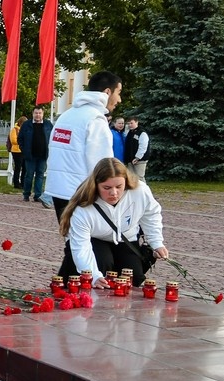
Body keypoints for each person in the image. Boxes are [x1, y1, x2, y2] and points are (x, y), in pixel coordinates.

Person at [46, 70, 123, 277]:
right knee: (80, 245)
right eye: (118, 92)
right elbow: (102, 166)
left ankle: (62, 288)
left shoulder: (67, 115)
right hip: (80, 193)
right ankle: (63, 288)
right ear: (107, 91)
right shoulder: (95, 120)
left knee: (74, 242)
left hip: (59, 190)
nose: (119, 99)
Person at [59, 157, 167, 287]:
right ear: (96, 185)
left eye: (119, 186)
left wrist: (156, 243)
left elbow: (151, 215)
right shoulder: (83, 208)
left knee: (133, 277)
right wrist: (93, 276)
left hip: (125, 238)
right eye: (106, 187)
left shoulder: (140, 191)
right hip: (95, 239)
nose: (113, 193)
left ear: (126, 183)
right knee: (103, 263)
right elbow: (81, 248)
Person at [19, 106, 53, 205]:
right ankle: (26, 194)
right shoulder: (26, 125)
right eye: (36, 113)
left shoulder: (48, 125)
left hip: (43, 155)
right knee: (29, 175)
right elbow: (20, 138)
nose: (38, 115)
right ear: (33, 114)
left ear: (43, 114)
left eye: (39, 113)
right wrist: (24, 151)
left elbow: (52, 138)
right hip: (30, 155)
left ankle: (38, 195)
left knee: (40, 175)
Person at [124, 116, 150, 180]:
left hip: (140, 160)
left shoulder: (142, 133)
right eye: (128, 123)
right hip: (130, 160)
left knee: (140, 178)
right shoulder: (129, 133)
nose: (130, 125)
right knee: (131, 179)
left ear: (136, 122)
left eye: (131, 123)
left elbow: (143, 147)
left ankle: (144, 190)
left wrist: (137, 157)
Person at [8, 116, 24, 188]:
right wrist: (22, 141)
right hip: (16, 151)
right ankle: (16, 183)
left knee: (25, 167)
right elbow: (13, 140)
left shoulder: (25, 129)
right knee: (18, 167)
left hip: (23, 150)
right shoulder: (14, 130)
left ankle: (23, 183)